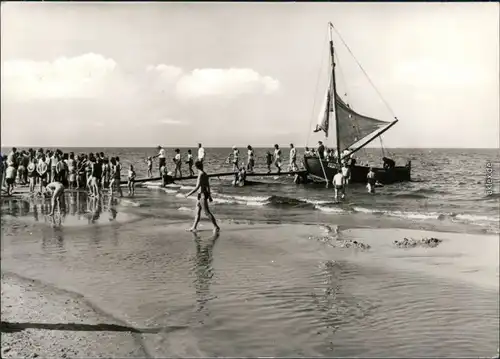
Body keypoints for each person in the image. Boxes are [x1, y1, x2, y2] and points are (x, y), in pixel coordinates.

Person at [185, 161, 220, 233]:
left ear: (196, 167)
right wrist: (209, 196)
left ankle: (216, 227)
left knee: (207, 212)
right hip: (202, 195)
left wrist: (188, 194)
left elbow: (197, 187)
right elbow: (208, 186)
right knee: (197, 211)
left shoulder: (200, 174)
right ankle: (194, 227)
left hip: (202, 195)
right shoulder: (205, 174)